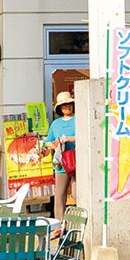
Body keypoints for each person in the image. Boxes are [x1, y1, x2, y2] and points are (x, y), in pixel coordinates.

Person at [45, 91, 76, 220]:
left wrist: (68, 139)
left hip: (77, 160)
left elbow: (86, 136)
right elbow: (48, 142)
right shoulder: (55, 124)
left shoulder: (79, 119)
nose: (67, 107)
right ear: (59, 108)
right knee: (60, 194)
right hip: (61, 162)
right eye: (64, 105)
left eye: (69, 104)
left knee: (78, 193)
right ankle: (60, 223)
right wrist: (54, 145)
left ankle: (81, 221)